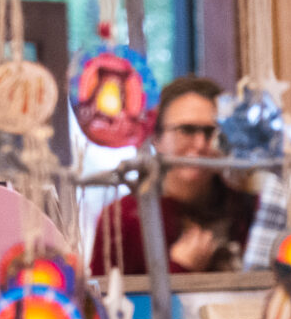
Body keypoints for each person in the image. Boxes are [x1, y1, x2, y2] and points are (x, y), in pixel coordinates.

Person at [88, 76, 259, 273]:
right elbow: (100, 302)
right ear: (156, 138)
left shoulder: (251, 211)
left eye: (211, 131)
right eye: (186, 130)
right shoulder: (121, 219)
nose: (200, 144)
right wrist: (179, 268)